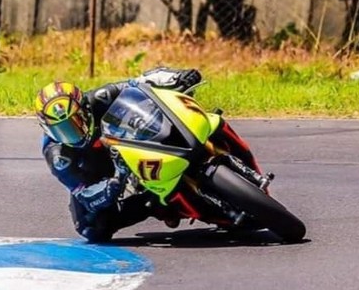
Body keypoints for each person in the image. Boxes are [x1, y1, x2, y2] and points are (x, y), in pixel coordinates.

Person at [34, 67, 262, 243]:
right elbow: (83, 193)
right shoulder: (57, 154)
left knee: (210, 119)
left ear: (84, 108)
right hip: (102, 176)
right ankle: (162, 205)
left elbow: (139, 84)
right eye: (62, 130)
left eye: (76, 122)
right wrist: (113, 184)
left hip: (134, 143)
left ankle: (232, 159)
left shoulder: (99, 98)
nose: (73, 133)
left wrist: (177, 77)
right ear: (48, 129)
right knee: (92, 229)